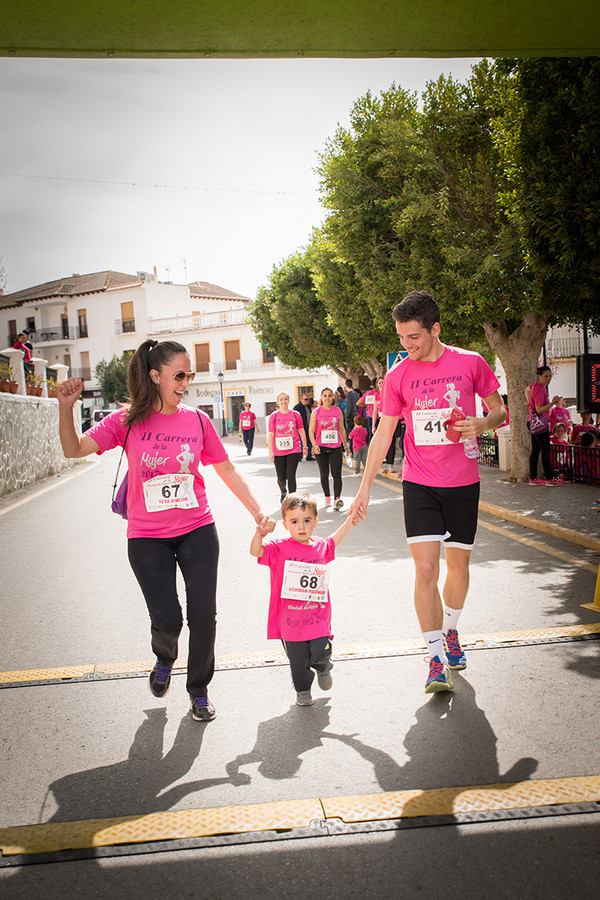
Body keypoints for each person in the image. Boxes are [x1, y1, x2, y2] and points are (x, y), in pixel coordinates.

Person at [57, 339, 275, 722]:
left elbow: (227, 471)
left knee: (204, 615)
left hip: (197, 528)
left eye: (188, 374)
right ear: (155, 376)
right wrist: (65, 408)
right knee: (169, 618)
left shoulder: (197, 421)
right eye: (178, 375)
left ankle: (199, 691)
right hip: (146, 537)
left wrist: (258, 513)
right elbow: (73, 449)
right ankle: (164, 658)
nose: (185, 382)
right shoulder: (128, 421)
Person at [348, 290, 507, 694]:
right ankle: (435, 658)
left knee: (457, 570)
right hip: (418, 483)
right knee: (424, 571)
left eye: (414, 337)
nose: (407, 345)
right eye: (402, 337)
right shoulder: (399, 375)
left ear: (435, 329)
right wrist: (364, 489)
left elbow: (499, 409)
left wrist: (482, 425)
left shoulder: (470, 362)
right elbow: (384, 433)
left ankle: (451, 630)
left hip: (462, 484)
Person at [250, 491, 358, 706]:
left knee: (320, 651)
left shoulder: (320, 546)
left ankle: (324, 668)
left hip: (318, 617)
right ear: (285, 524)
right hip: (290, 620)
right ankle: (302, 690)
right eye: (295, 521)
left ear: (315, 522)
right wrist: (260, 535)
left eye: (307, 521)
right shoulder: (279, 547)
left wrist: (349, 523)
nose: (301, 526)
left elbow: (333, 541)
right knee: (297, 661)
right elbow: (255, 552)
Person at [309, 386, 349, 510]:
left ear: (333, 397)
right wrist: (314, 445)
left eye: (329, 395)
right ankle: (327, 496)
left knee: (337, 473)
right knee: (324, 473)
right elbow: (310, 430)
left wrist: (345, 444)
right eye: (325, 395)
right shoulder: (316, 412)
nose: (327, 398)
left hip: (335, 447)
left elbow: (341, 429)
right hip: (321, 447)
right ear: (321, 397)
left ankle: (337, 498)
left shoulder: (337, 411)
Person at [268, 391, 307, 501]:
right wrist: (270, 452)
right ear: (278, 402)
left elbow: (301, 430)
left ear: (289, 401)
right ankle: (283, 491)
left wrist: (305, 447)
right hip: (278, 451)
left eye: (285, 399)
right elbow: (271, 434)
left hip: (294, 449)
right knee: (281, 478)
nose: (283, 401)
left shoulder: (295, 414)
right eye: (281, 399)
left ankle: (292, 499)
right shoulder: (274, 416)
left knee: (291, 475)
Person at [528, 365, 563, 486]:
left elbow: (527, 390)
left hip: (532, 422)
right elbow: (539, 409)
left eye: (550, 376)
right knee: (545, 450)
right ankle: (549, 478)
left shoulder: (535, 387)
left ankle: (533, 478)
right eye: (545, 376)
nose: (548, 379)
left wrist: (529, 403)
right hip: (539, 424)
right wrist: (552, 403)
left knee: (536, 451)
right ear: (539, 376)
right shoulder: (539, 390)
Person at [357, 376, 384, 442]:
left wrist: (366, 405)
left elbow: (358, 403)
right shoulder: (377, 394)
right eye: (379, 383)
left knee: (372, 435)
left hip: (371, 416)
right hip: (376, 416)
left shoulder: (368, 394)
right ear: (377, 384)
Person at [293, 393, 315, 460]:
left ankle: (308, 456)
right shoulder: (297, 407)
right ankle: (299, 457)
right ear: (301, 399)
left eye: (308, 399)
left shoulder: (308, 406)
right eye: (305, 399)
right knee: (301, 441)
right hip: (301, 428)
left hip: (308, 426)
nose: (307, 401)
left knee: (309, 441)